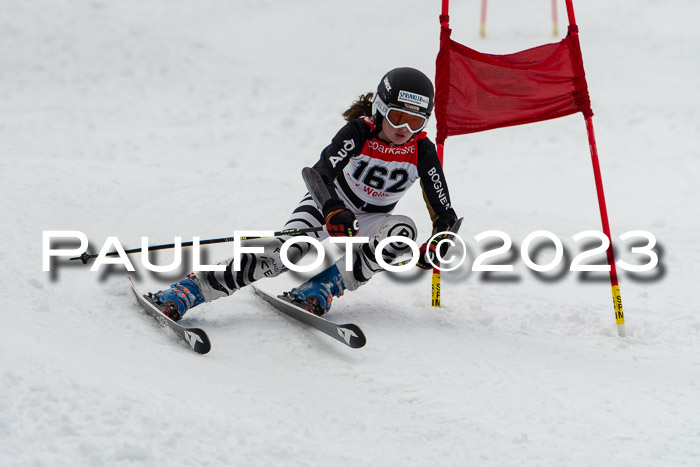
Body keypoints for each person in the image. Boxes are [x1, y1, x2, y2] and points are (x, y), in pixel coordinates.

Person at [146, 67, 459, 319]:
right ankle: (188, 291)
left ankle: (320, 289)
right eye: (397, 117)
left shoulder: (422, 150)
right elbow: (318, 173)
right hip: (330, 205)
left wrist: (439, 240)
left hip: (374, 218)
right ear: (380, 108)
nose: (405, 128)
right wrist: (333, 208)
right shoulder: (359, 132)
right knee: (281, 256)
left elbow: (445, 213)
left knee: (402, 233)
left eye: (416, 121)